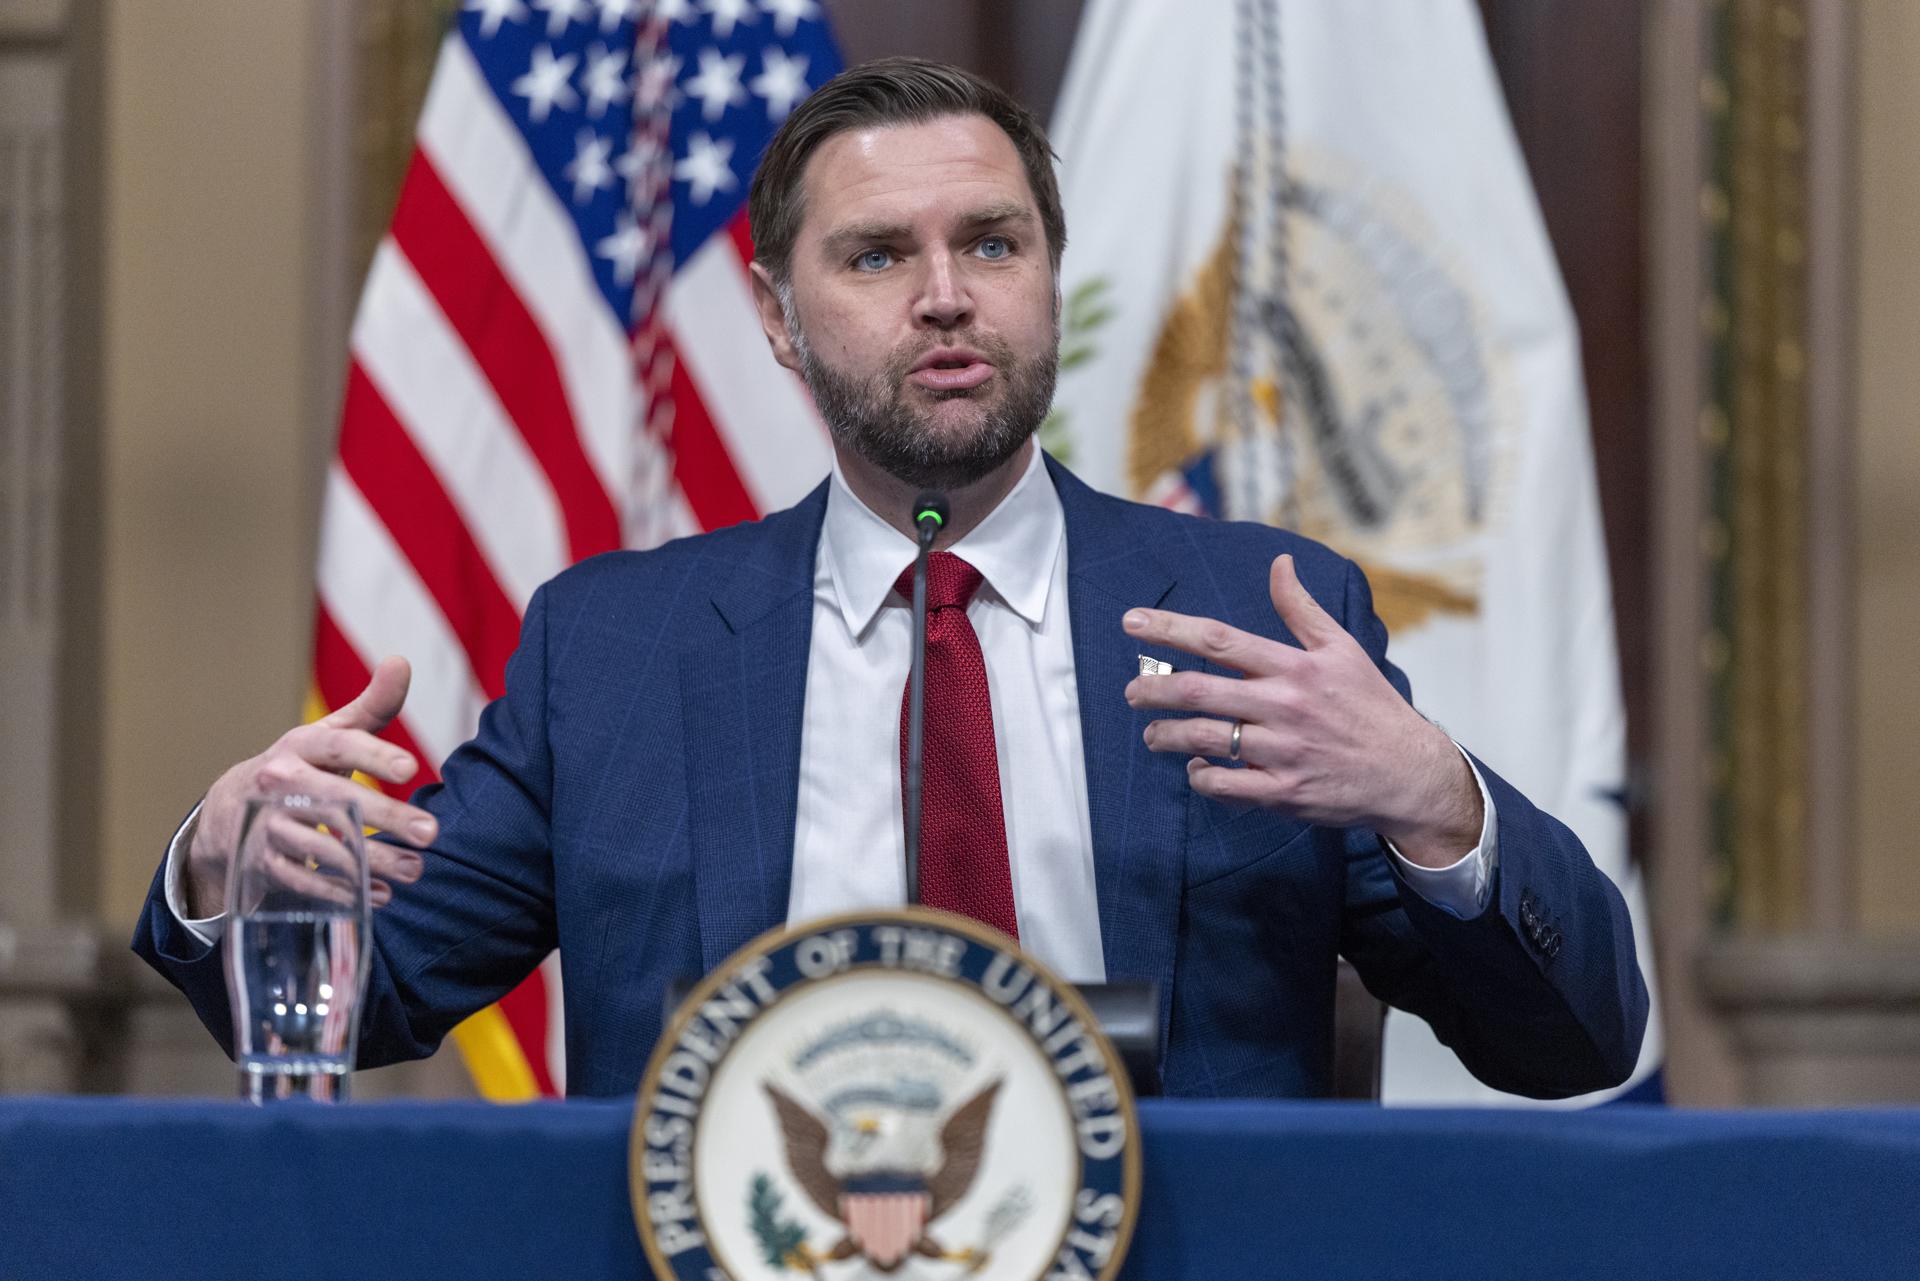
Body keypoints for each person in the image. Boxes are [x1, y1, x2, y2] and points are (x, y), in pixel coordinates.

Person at [134, 57, 1647, 1100]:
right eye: (874, 256)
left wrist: (1436, 799)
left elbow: (1574, 1041)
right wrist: (233, 866)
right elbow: (377, 992)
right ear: (779, 318)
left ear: (1051, 277)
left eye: (992, 242)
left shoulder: (1261, 616)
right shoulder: (616, 648)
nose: (944, 294)